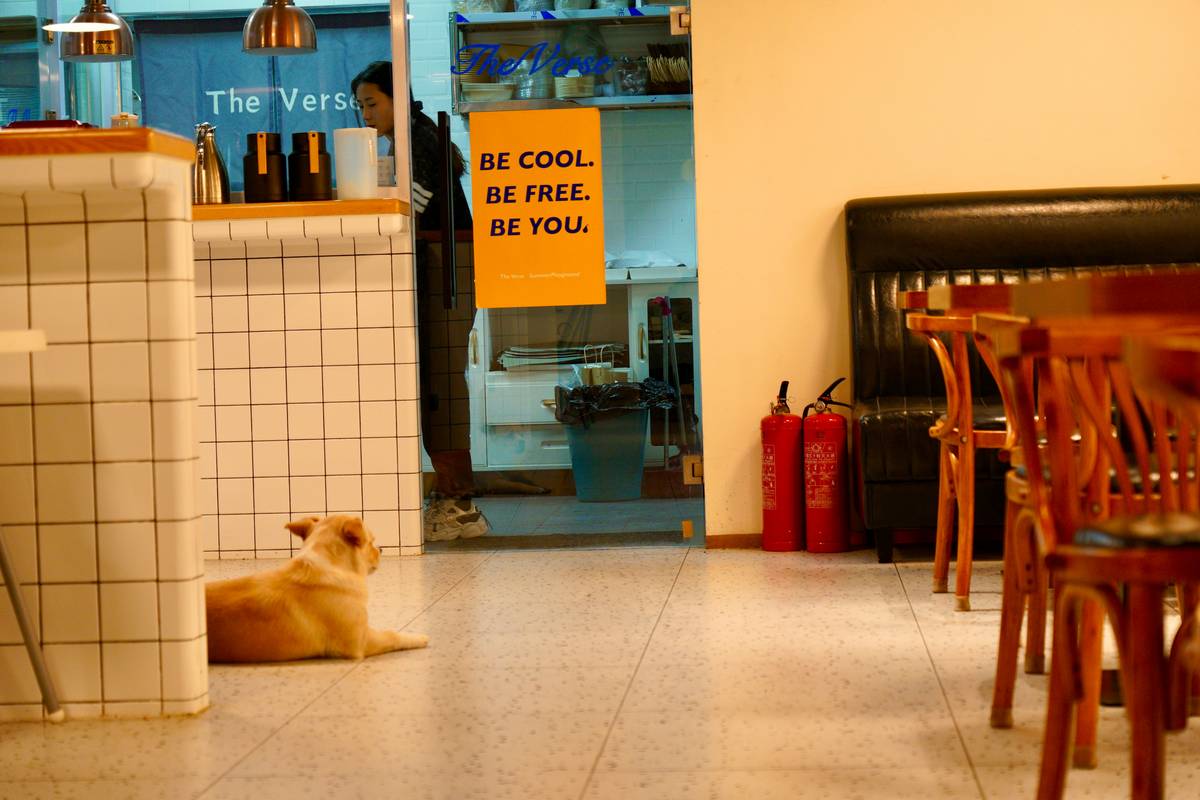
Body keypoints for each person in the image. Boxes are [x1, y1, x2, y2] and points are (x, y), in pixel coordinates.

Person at [352, 61, 487, 541]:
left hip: (448, 268)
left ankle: (459, 505)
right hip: (445, 266)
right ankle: (453, 498)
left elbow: (406, 207)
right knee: (439, 382)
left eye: (372, 103)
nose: (365, 114)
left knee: (442, 384)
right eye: (361, 105)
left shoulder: (418, 139)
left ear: (396, 98)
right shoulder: (413, 136)